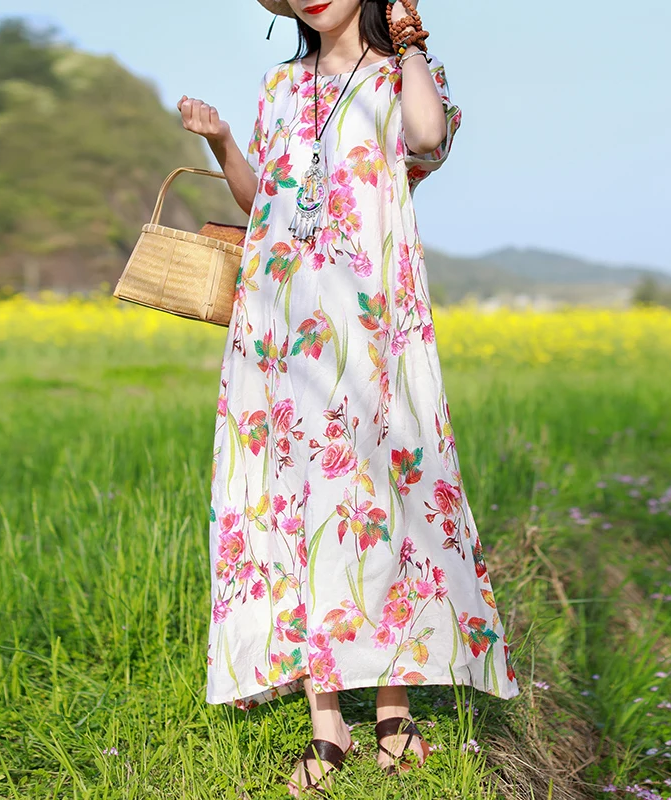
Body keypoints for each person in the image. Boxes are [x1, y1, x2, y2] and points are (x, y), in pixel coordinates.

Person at [178, 0, 520, 794]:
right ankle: (326, 720)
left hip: (373, 326)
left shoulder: (400, 76)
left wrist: (406, 35)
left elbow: (429, 139)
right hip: (277, 329)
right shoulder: (280, 86)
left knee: (381, 499)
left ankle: (394, 705)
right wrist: (222, 140)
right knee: (296, 504)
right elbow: (262, 200)